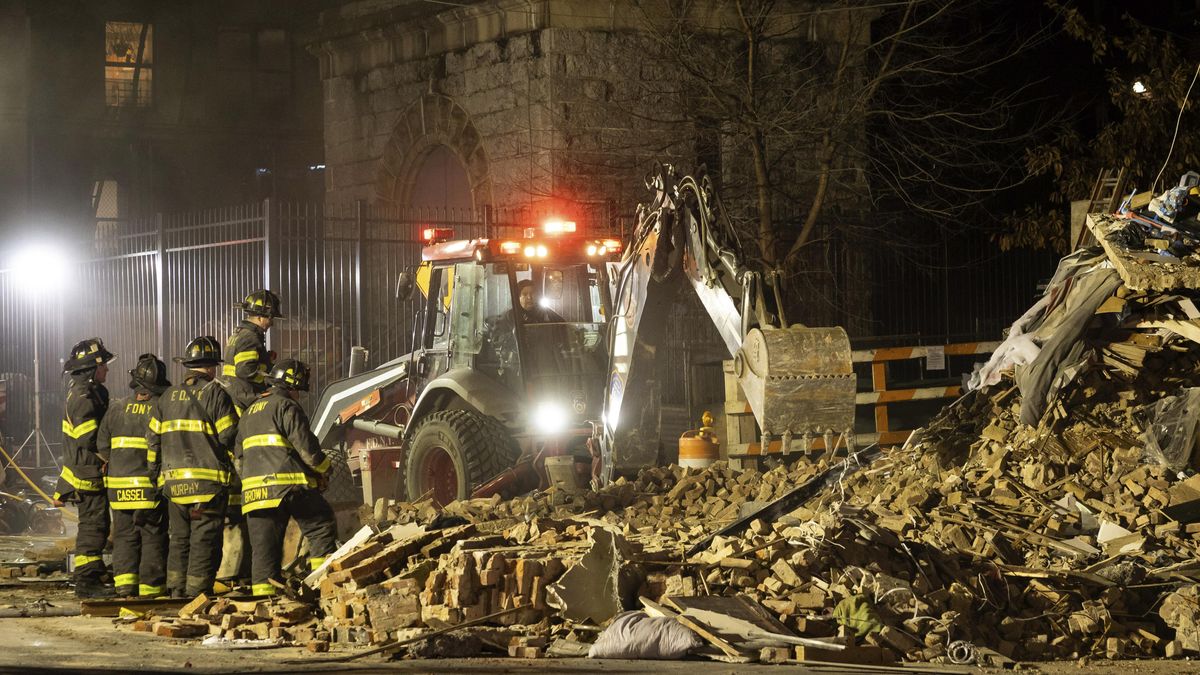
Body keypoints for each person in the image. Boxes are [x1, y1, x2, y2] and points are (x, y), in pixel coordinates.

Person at [234, 359, 335, 597]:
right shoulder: (286, 406)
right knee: (321, 526)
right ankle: (324, 585)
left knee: (264, 551)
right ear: (291, 387)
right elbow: (307, 450)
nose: (299, 396)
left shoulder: (248, 413)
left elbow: (238, 459)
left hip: (254, 494)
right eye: (298, 391)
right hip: (289, 487)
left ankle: (264, 601)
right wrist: (325, 470)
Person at [147, 336, 239, 597]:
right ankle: (197, 595)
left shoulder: (166, 397)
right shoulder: (215, 393)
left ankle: (176, 591)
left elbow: (152, 442)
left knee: (179, 540)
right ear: (211, 368)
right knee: (204, 542)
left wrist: (157, 478)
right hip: (207, 487)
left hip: (174, 486)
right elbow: (228, 436)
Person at [217, 289, 282, 589]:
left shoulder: (241, 335)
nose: (271, 323)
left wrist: (265, 361)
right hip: (245, 400)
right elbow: (246, 370)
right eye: (270, 318)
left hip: (237, 398)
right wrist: (268, 378)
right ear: (261, 316)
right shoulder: (250, 337)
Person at [98, 353, 170, 597]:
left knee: (124, 538)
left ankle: (125, 587)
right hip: (149, 489)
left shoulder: (116, 408)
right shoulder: (161, 408)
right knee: (152, 537)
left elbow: (102, 447)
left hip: (118, 490)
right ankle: (151, 590)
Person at [57, 337, 116, 598]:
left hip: (90, 469)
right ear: (92, 368)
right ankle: (85, 581)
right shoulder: (82, 397)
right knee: (93, 527)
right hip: (86, 472)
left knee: (98, 525)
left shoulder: (91, 391)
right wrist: (111, 457)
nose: (107, 369)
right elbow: (89, 438)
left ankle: (95, 570)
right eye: (103, 365)